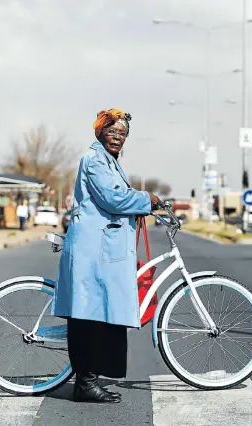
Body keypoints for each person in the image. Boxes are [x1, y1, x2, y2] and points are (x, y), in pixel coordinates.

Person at [52, 109, 162, 403]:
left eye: (123, 133)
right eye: (112, 131)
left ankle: (92, 380)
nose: (118, 137)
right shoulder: (94, 160)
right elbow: (113, 198)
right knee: (89, 317)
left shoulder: (108, 161)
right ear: (100, 132)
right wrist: (146, 199)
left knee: (102, 316)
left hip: (103, 250)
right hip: (93, 250)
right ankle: (85, 384)